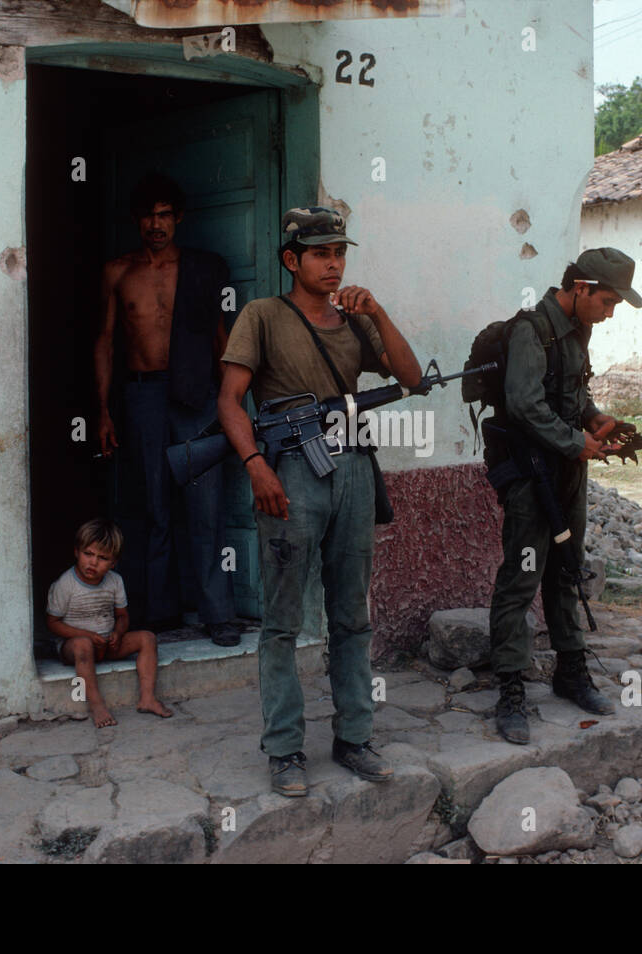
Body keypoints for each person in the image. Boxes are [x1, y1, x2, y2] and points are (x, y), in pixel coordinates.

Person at [217, 207, 423, 797]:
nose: (333, 264)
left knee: (352, 616)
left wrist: (377, 312)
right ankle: (284, 750)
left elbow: (411, 378)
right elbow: (230, 401)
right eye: (320, 254)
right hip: (290, 476)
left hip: (352, 471)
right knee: (282, 622)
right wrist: (255, 466)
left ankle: (355, 737)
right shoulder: (262, 316)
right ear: (292, 260)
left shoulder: (356, 322)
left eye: (340, 254)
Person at [489, 248, 641, 745]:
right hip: (532, 474)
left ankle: (570, 670)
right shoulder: (530, 331)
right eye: (607, 301)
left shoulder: (580, 330)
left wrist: (592, 417)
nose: (610, 311)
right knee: (521, 576)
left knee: (566, 567)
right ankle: (510, 687)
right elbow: (524, 403)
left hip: (568, 471)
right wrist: (578, 441)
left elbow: (571, 394)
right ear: (581, 288)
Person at [94, 173, 242, 647]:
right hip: (142, 396)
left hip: (197, 394)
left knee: (206, 507)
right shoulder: (118, 271)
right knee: (152, 507)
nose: (155, 224)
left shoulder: (202, 267)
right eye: (147, 215)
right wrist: (102, 410)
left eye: (164, 215)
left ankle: (219, 613)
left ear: (177, 218)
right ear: (136, 220)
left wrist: (230, 404)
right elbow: (105, 341)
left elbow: (222, 337)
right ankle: (158, 613)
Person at [46, 518, 172, 728]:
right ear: (77, 552)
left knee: (147, 638)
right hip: (75, 646)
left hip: (107, 643)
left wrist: (118, 632)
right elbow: (52, 623)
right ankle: (97, 706)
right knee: (82, 646)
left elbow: (122, 616)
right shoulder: (65, 584)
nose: (93, 562)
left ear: (113, 562)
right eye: (88, 554)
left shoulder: (115, 581)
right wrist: (85, 635)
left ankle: (147, 698)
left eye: (103, 558)